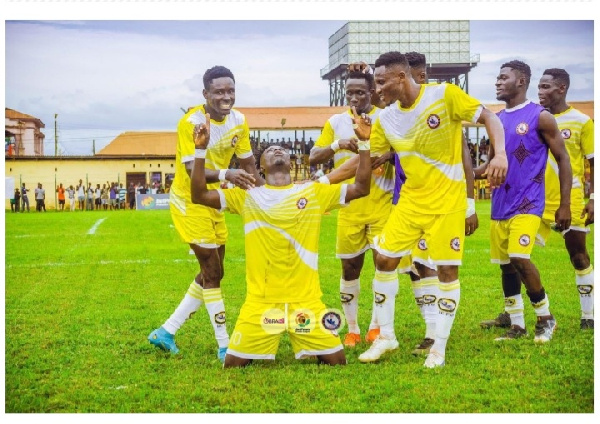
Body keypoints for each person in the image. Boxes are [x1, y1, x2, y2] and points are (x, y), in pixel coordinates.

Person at [352, 51, 507, 367]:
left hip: (447, 204)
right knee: (384, 258)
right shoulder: (385, 118)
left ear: (400, 77)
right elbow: (369, 164)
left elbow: (490, 117)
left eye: (380, 83)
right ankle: (387, 337)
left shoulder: (444, 95)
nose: (376, 90)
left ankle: (439, 346)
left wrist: (499, 155)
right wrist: (365, 143)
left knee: (447, 272)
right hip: (410, 202)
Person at [190, 108, 371, 367]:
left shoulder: (314, 192)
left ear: (291, 159)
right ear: (259, 165)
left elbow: (361, 187)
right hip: (262, 306)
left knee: (337, 360)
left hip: (304, 305)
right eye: (269, 149)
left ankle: (306, 335)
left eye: (282, 149)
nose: (276, 149)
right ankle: (266, 335)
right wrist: (200, 151)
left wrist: (364, 143)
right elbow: (198, 195)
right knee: (233, 365)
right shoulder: (247, 195)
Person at [148, 65, 263, 362]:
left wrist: (269, 194)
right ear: (206, 94)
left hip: (215, 201)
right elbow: (191, 170)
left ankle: (166, 331)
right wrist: (228, 172)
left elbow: (249, 162)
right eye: (219, 92)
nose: (226, 97)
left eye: (231, 91)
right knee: (212, 273)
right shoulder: (191, 122)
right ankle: (224, 345)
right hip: (191, 200)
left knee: (216, 271)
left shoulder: (240, 121)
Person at [481, 67, 592, 331]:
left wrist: (593, 198)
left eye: (546, 87)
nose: (541, 92)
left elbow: (589, 161)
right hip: (527, 199)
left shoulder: (579, 121)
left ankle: (588, 315)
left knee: (577, 256)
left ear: (561, 89)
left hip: (567, 199)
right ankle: (513, 315)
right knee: (513, 259)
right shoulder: (511, 118)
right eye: (539, 87)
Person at [309, 71, 394, 348]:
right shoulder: (336, 122)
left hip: (381, 204)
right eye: (350, 93)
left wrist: (389, 156)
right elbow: (314, 156)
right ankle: (353, 328)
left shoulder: (386, 119)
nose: (355, 98)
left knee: (383, 266)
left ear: (373, 92)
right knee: (349, 269)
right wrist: (338, 144)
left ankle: (376, 326)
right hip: (348, 207)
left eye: (361, 92)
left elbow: (402, 150)